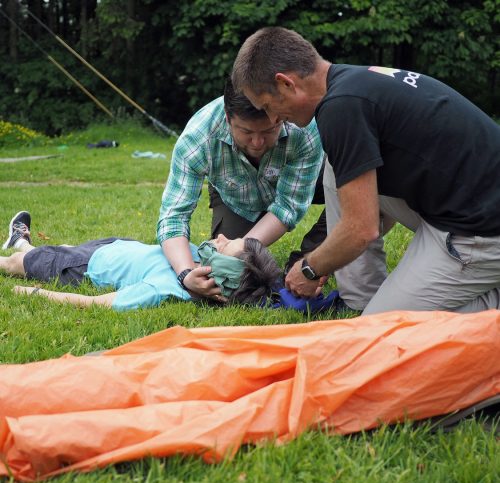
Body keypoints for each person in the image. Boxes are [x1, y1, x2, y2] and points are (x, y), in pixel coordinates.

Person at [232, 27, 500, 315]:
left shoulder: (341, 109)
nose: (273, 119)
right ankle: (359, 297)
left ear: (285, 83)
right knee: (337, 169)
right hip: (467, 200)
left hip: (480, 230)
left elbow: (362, 229)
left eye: (269, 107)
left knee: (382, 330)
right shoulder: (353, 81)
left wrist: (308, 269)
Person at [157, 78, 326, 299]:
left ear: (280, 119)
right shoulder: (197, 138)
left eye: (268, 131)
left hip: (311, 182)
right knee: (229, 266)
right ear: (228, 119)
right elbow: (173, 216)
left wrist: (245, 245)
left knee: (348, 188)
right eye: (247, 132)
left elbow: (288, 207)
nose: (257, 143)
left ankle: (311, 260)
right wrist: (186, 274)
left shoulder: (303, 129)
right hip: (236, 198)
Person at [1, 211, 281, 310]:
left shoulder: (164, 288)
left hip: (83, 267)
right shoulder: (192, 261)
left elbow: (99, 303)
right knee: (58, 247)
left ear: (214, 273)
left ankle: (19, 246)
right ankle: (21, 242)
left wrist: (34, 291)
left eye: (225, 245)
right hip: (116, 247)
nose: (219, 237)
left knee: (17, 264)